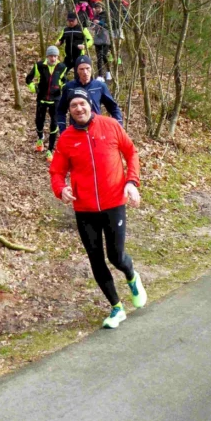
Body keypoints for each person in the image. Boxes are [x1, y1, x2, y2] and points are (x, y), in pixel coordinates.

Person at [50, 90, 147, 329]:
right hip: (84, 209)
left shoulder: (111, 126)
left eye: (82, 103)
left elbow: (131, 152)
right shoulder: (66, 139)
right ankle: (116, 307)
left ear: (90, 104)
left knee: (116, 256)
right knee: (96, 259)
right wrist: (61, 189)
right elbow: (57, 172)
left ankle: (131, 276)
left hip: (114, 203)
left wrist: (132, 182)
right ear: (69, 111)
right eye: (73, 106)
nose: (79, 109)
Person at [56, 55, 122, 134]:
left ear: (91, 69)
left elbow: (113, 107)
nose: (85, 72)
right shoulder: (69, 87)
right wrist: (63, 130)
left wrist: (119, 127)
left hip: (96, 130)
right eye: (81, 69)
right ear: (77, 70)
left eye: (87, 68)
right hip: (76, 130)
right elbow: (61, 110)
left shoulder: (100, 86)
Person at [26, 46, 67, 160]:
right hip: (42, 98)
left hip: (55, 99)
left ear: (57, 56)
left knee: (54, 123)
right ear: (47, 56)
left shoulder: (61, 67)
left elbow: (64, 81)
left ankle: (50, 150)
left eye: (55, 56)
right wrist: (34, 88)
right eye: (51, 56)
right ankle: (40, 138)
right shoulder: (39, 66)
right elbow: (28, 79)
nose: (53, 59)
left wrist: (63, 89)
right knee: (39, 121)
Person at [90, 1, 111, 78]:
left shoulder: (106, 15)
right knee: (99, 57)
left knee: (104, 56)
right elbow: (93, 26)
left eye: (99, 7)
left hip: (105, 38)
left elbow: (109, 26)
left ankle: (108, 71)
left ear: (102, 7)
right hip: (97, 39)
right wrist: (93, 27)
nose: (97, 9)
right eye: (96, 8)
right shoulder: (95, 16)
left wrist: (100, 22)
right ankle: (100, 75)